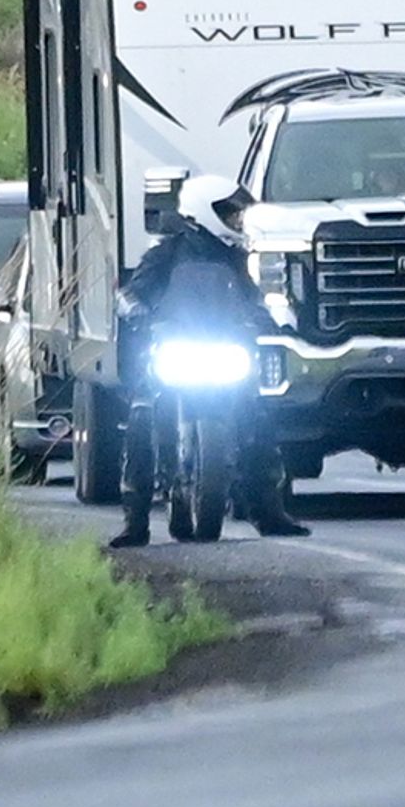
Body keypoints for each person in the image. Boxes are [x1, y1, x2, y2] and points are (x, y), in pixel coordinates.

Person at [106, 187, 307, 548]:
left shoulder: (234, 258)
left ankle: (270, 513)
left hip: (222, 346)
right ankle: (134, 522)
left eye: (236, 214)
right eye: (229, 213)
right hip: (174, 347)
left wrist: (271, 318)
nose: (235, 220)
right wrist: (134, 308)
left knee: (257, 417)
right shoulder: (166, 252)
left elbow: (254, 299)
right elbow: (133, 292)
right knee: (141, 418)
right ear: (205, 212)